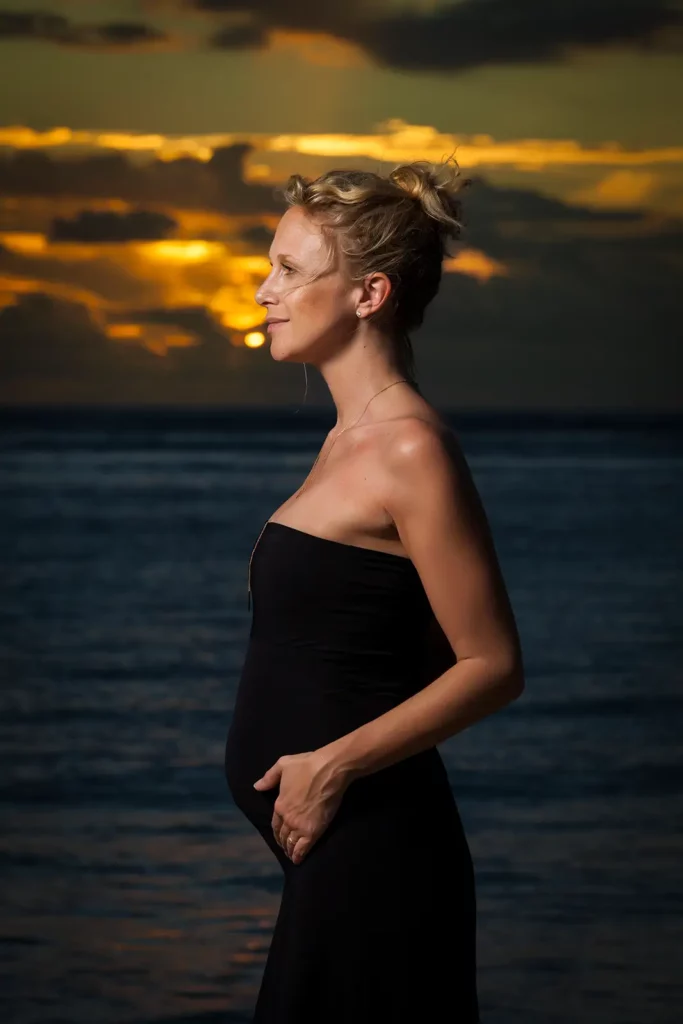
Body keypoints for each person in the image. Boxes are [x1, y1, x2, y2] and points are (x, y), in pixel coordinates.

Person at [224, 158, 525, 1023]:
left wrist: (331, 766)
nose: (261, 292)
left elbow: (493, 664)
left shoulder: (408, 449)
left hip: (380, 859)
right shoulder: (346, 442)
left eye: (287, 269)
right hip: (332, 864)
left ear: (368, 294)